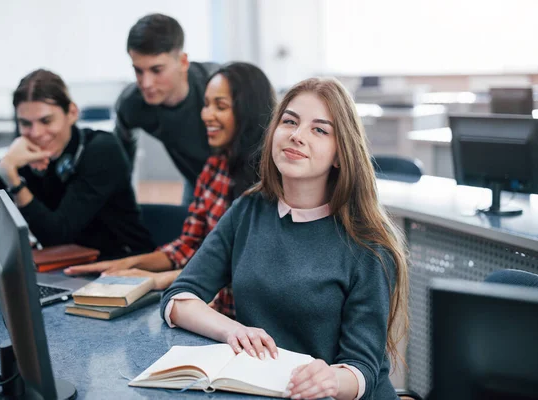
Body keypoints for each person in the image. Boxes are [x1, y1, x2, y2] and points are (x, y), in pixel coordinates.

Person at [160, 78, 409, 399]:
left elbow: (363, 369)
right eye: (289, 121)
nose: (296, 135)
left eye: (319, 130)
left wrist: (331, 379)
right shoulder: (249, 210)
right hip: (267, 389)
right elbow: (179, 298)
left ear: (339, 153)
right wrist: (234, 330)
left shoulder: (368, 243)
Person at [65, 62, 276, 318]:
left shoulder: (270, 183)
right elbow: (187, 247)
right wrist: (129, 263)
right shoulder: (213, 168)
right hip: (212, 314)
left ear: (248, 113)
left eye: (220, 106)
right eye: (206, 104)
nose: (206, 115)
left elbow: (238, 270)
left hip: (246, 322)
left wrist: (158, 279)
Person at [0, 69, 154, 259]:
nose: (35, 133)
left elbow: (58, 234)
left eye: (46, 121)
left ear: (71, 113)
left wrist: (13, 179)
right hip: (64, 270)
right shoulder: (21, 156)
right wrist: (5, 167)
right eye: (26, 123)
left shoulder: (102, 150)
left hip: (124, 267)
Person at [115, 13, 219, 205]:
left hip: (245, 181)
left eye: (156, 70)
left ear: (183, 62)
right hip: (196, 181)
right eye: (138, 70)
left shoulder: (220, 86)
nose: (146, 83)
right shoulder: (131, 104)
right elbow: (120, 164)